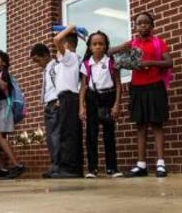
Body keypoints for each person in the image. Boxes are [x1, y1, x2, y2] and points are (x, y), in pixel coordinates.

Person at [112, 13, 172, 178]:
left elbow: (169, 63)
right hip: (137, 88)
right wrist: (122, 48)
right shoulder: (132, 44)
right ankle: (141, 165)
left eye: (146, 23)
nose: (143, 26)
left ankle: (161, 164)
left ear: (152, 26)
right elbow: (110, 53)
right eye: (139, 23)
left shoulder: (158, 43)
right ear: (135, 27)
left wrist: (150, 63)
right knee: (140, 125)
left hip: (155, 87)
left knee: (157, 124)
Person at [79, 31, 122, 178]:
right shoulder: (86, 64)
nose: (98, 47)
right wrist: (81, 106)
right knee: (91, 134)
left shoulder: (111, 62)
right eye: (94, 44)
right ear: (90, 47)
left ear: (106, 46)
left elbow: (118, 83)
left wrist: (116, 104)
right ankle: (92, 169)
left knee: (109, 134)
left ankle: (112, 168)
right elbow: (83, 86)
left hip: (108, 97)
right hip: (92, 98)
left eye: (101, 44)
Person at [48, 25, 84, 179]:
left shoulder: (70, 56)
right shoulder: (67, 61)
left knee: (69, 134)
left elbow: (56, 39)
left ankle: (71, 169)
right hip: (65, 98)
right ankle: (66, 166)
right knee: (65, 132)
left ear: (67, 44)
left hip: (69, 98)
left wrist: (71, 27)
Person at [0, 50, 26, 179]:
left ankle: (17, 165)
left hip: (4, 105)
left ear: (4, 63)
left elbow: (4, 88)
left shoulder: (4, 73)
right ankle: (2, 168)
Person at [31, 43, 59, 177]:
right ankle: (54, 165)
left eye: (38, 60)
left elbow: (60, 83)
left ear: (46, 55)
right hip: (48, 104)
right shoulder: (46, 69)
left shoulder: (54, 66)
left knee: (55, 136)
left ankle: (57, 166)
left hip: (55, 103)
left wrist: (59, 100)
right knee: (50, 137)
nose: (37, 63)